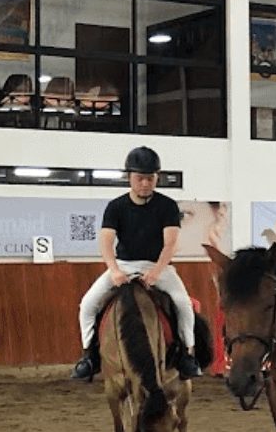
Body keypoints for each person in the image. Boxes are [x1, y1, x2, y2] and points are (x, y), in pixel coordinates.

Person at [71, 146, 201, 381]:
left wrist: (156, 272)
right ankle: (89, 356)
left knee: (183, 304)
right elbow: (106, 242)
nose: (145, 183)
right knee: (87, 304)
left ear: (156, 177)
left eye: (150, 178)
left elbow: (169, 244)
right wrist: (114, 270)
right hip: (123, 266)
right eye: (140, 178)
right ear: (129, 177)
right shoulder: (116, 207)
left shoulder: (167, 206)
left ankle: (187, 355)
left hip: (158, 267)